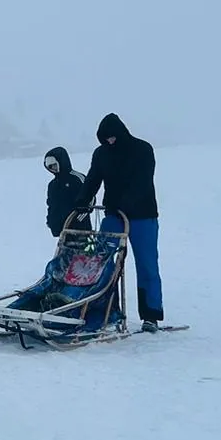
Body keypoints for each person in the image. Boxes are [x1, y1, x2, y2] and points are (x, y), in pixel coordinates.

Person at [73, 113, 164, 331]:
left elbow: (142, 183)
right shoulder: (101, 154)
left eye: (113, 138)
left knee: (147, 265)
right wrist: (82, 201)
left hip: (143, 216)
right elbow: (93, 178)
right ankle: (103, 308)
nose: (110, 142)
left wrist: (124, 204)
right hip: (113, 217)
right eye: (105, 139)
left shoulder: (142, 150)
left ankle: (150, 315)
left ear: (122, 133)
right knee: (101, 261)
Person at [43, 146, 92, 237]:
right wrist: (51, 221)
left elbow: (90, 199)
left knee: (85, 250)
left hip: (81, 229)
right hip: (63, 230)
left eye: (54, 165)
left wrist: (78, 219)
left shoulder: (78, 178)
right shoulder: (53, 185)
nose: (53, 168)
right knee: (64, 250)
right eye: (50, 167)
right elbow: (51, 205)